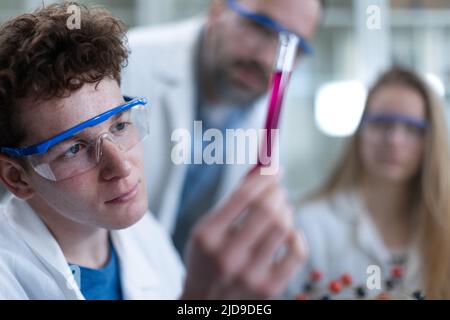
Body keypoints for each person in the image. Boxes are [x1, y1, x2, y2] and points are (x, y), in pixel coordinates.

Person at [0, 3, 306, 300]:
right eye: (74, 149)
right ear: (17, 178)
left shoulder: (144, 236)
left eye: (120, 126)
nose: (121, 166)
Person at [121, 0, 323, 255]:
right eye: (259, 27)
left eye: (293, 45)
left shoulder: (270, 109)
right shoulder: (129, 62)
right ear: (217, 9)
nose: (268, 58)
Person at [287, 68, 450, 300]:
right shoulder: (309, 226)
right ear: (360, 132)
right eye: (382, 123)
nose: (394, 139)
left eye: (412, 128)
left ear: (431, 141)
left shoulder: (445, 225)